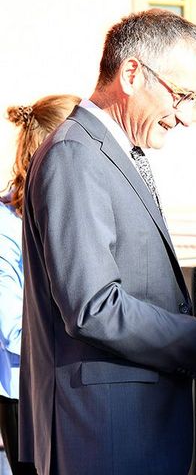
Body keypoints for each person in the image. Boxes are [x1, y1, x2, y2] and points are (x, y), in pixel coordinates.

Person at [19, 9, 196, 475]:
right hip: (106, 438)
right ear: (132, 73)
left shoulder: (106, 151)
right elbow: (95, 308)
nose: (187, 117)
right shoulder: (75, 154)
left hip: (132, 427)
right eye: (183, 95)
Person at [1, 95, 80, 475]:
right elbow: (11, 328)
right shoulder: (4, 226)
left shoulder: (71, 208)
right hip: (24, 395)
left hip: (67, 387)